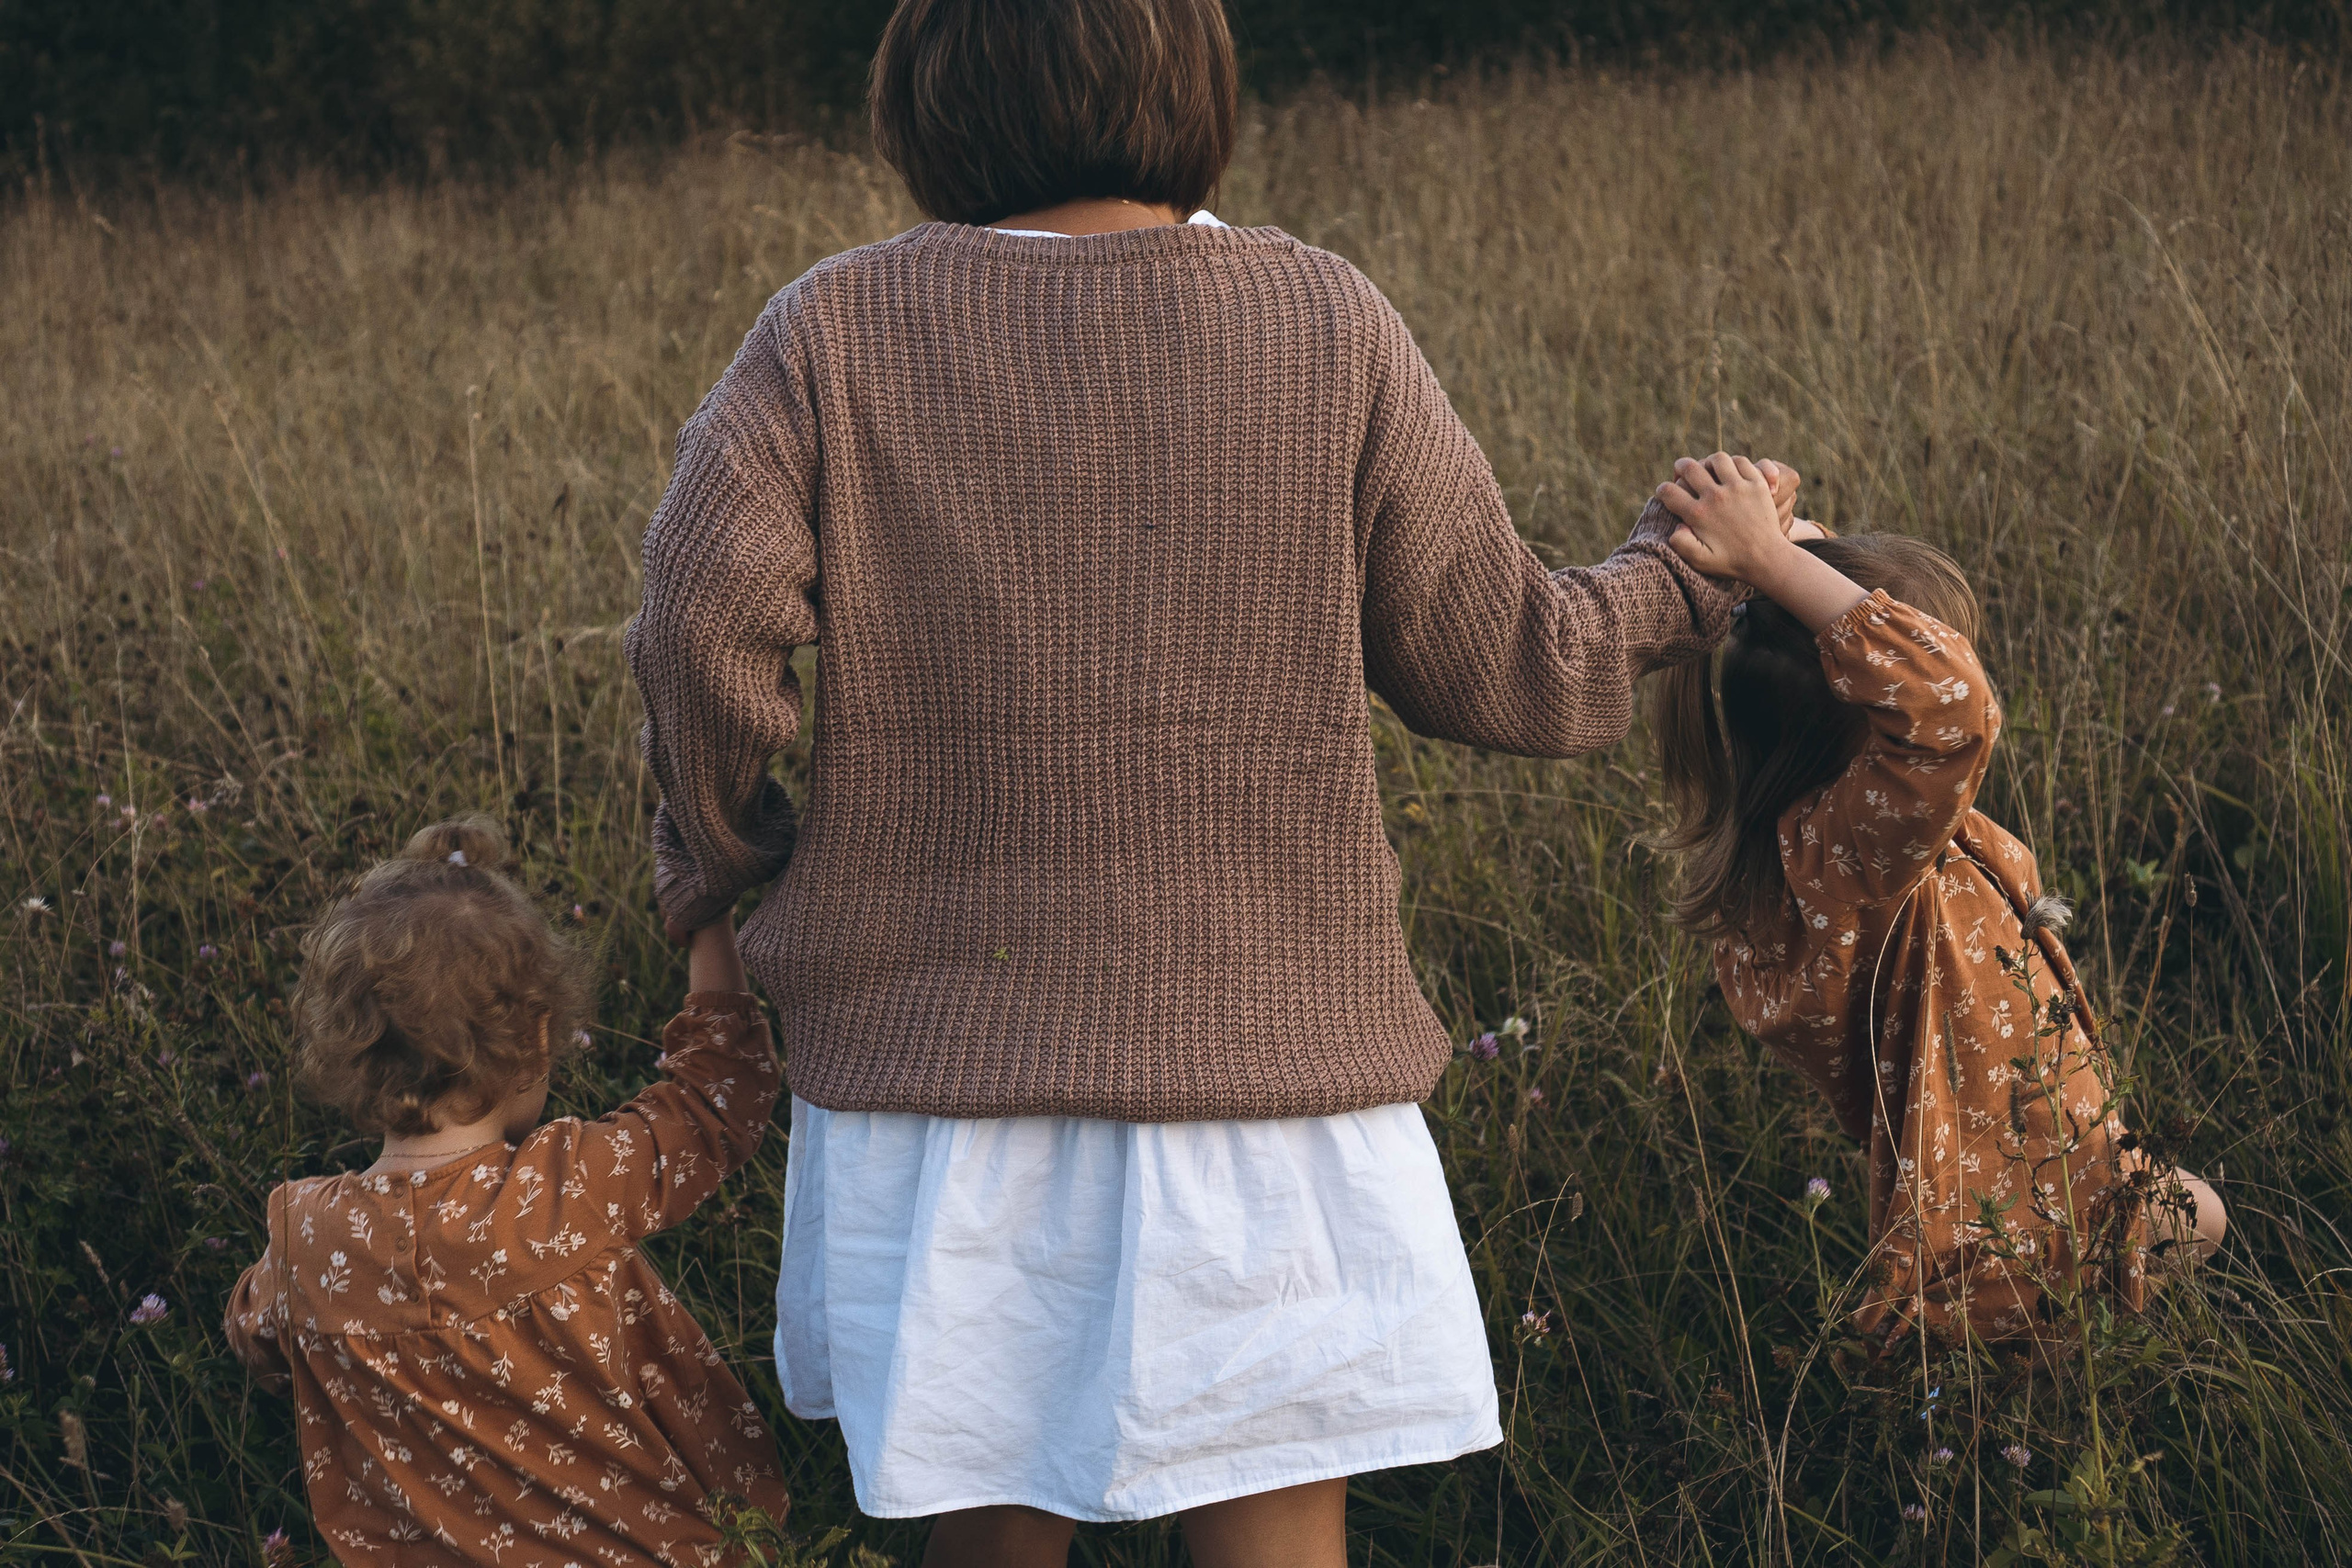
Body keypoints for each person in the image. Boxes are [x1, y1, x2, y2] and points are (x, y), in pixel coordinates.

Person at [622, 2, 1797, 1561]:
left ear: (927, 100)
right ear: (1194, 86)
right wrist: (1690, 572)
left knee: (985, 1537)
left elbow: (696, 618)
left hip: (943, 1080)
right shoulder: (1321, 316)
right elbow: (1513, 661)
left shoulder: (830, 328)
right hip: (1272, 1078)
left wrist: (721, 867)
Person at [1644, 454, 2226, 1343]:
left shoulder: (1813, 858)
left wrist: (1786, 552)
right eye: (1908, 640)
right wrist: (1774, 564)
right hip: (2015, 1190)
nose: (1951, 656)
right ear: (1864, 717)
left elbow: (1911, 688)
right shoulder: (1857, 856)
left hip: (2018, 1151)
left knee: (2145, 1231)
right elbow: (1951, 707)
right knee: (2187, 1225)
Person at [223, 817, 789, 1562]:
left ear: (349, 1048)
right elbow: (718, 1093)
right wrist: (707, 918)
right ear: (537, 1036)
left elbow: (256, 1335)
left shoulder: (307, 1239)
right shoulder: (571, 1187)